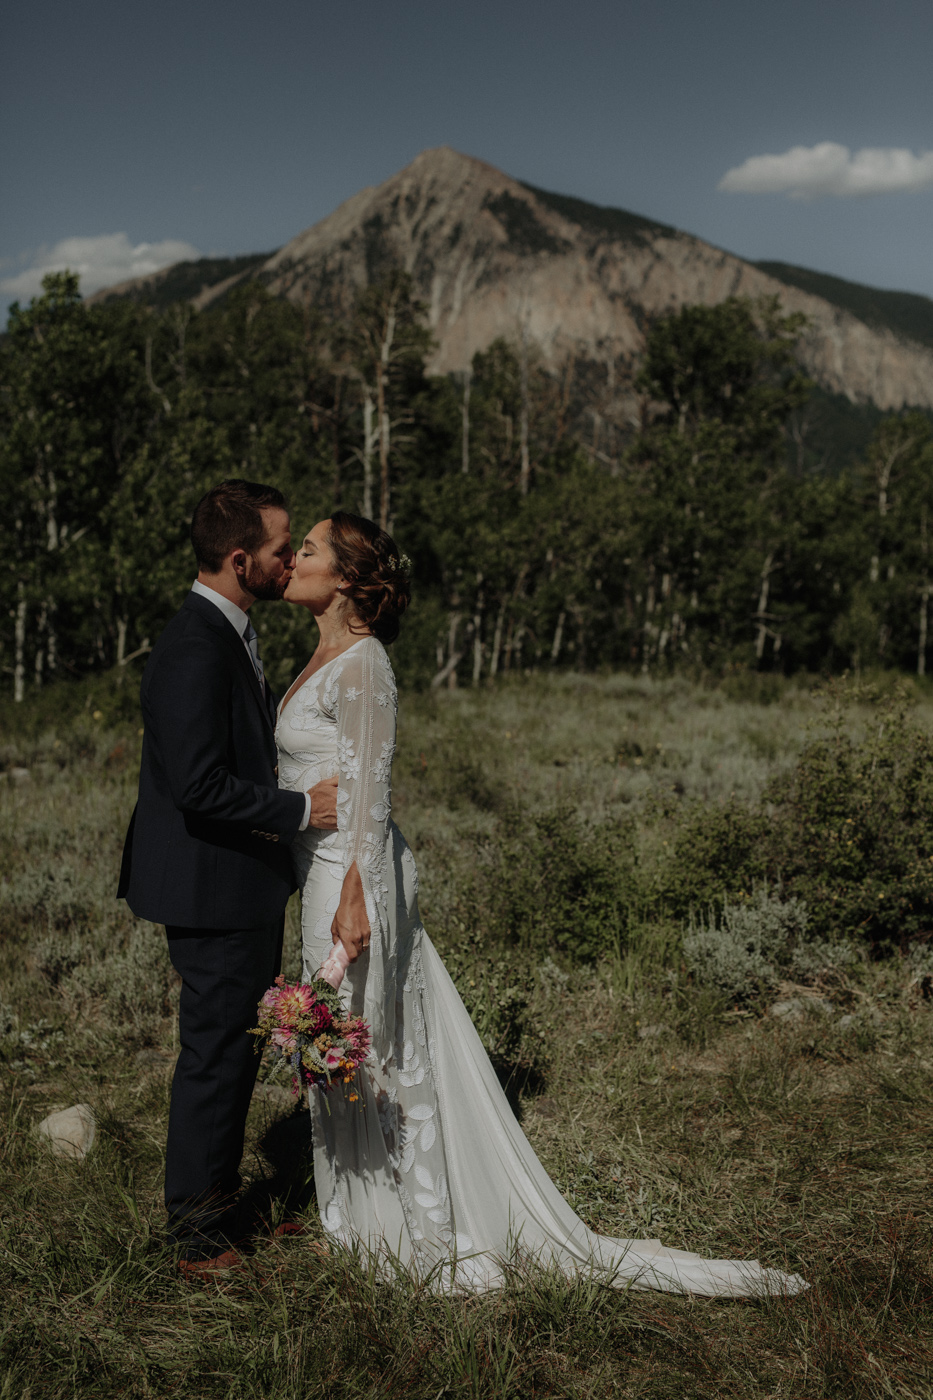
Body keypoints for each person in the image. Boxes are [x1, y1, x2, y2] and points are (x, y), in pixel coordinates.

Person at [276, 511, 807, 1297]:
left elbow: (370, 796)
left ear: (348, 579)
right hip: (320, 870)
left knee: (370, 1042)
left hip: (354, 882)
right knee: (341, 1036)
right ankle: (355, 1217)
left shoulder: (364, 665)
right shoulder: (319, 656)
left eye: (310, 550)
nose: (293, 559)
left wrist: (355, 902)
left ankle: (414, 1230)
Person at [118, 480, 338, 1278]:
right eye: (281, 551)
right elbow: (199, 785)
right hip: (209, 888)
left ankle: (216, 1207)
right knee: (214, 1053)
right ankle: (194, 1238)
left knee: (234, 1050)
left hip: (235, 881)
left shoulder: (228, 630)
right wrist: (298, 808)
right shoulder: (191, 646)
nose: (289, 563)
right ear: (241, 559)